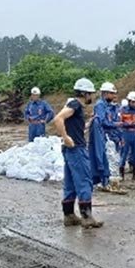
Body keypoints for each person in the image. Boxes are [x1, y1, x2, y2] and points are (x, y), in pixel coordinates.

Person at [53, 78, 103, 228]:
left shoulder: (73, 106)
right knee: (84, 181)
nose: (92, 97)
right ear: (85, 93)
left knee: (70, 183)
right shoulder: (74, 104)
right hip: (76, 150)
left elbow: (71, 124)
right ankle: (87, 217)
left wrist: (86, 125)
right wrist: (66, 137)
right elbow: (58, 119)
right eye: (91, 94)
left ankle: (69, 215)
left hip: (70, 150)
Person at [90, 82, 125, 194]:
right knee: (109, 159)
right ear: (105, 93)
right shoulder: (100, 105)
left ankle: (108, 182)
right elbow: (102, 122)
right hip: (105, 137)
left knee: (112, 159)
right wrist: (115, 124)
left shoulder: (111, 107)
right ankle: (108, 183)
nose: (114, 96)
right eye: (112, 93)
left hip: (112, 136)